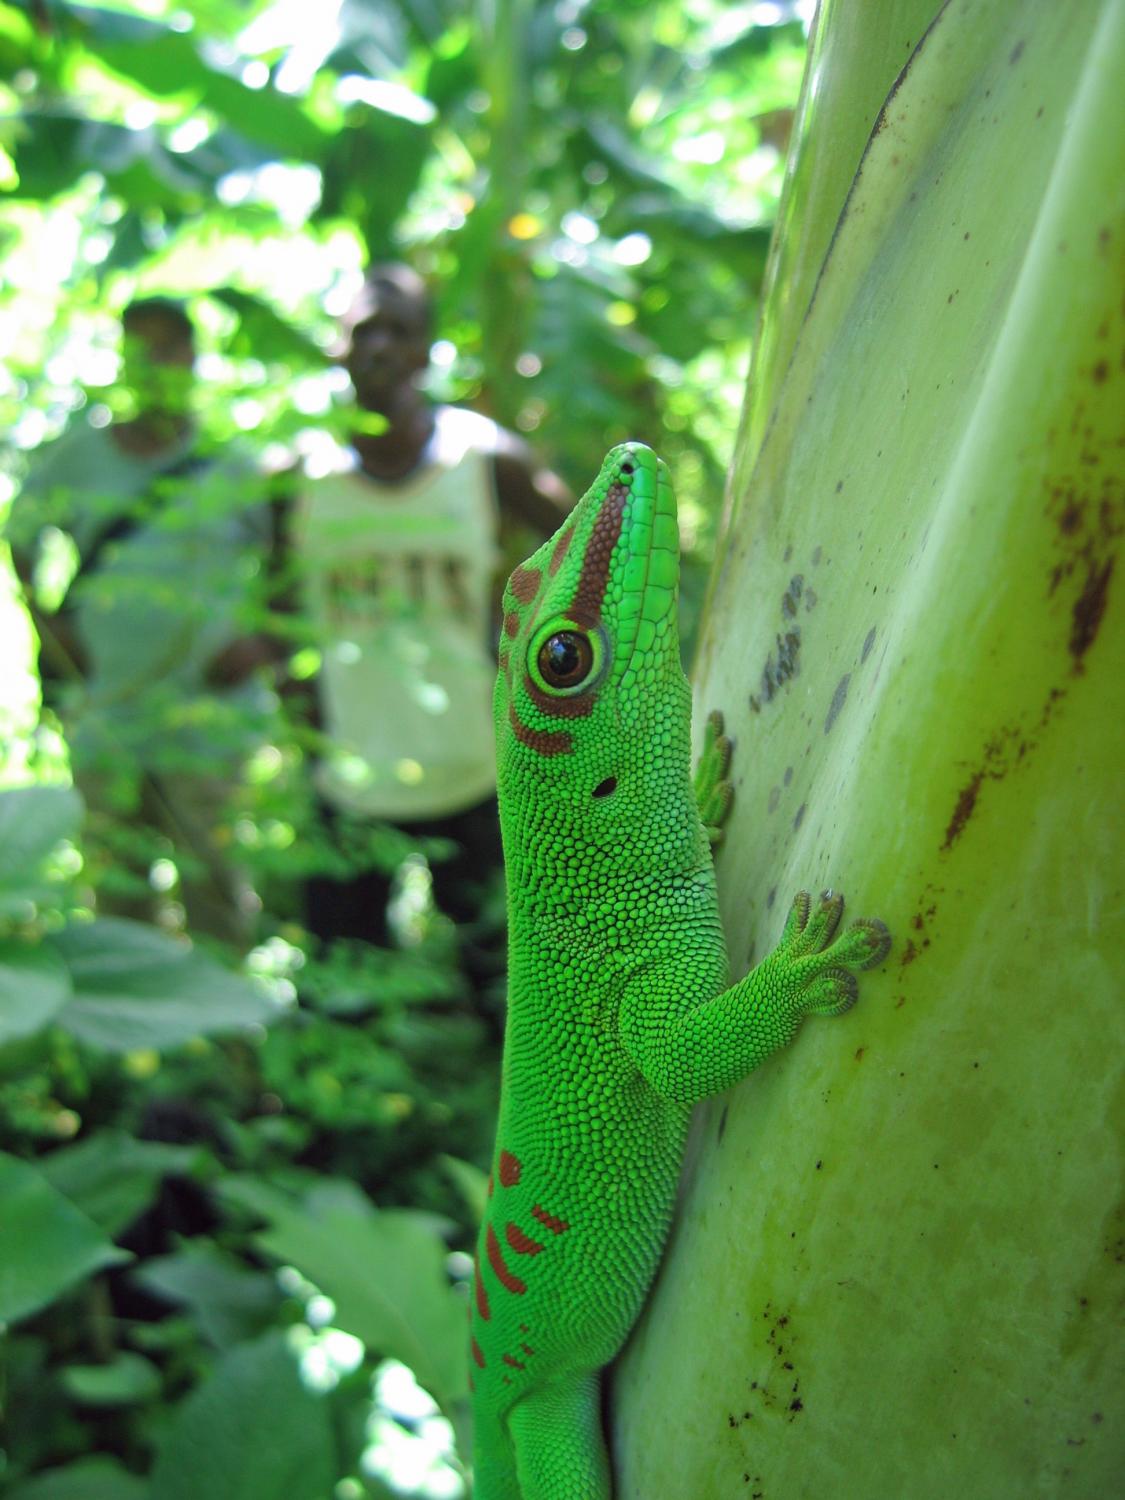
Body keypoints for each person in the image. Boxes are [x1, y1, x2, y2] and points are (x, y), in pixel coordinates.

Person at [292, 264, 571, 952]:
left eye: (400, 331)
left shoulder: (481, 458)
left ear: (425, 349)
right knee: (344, 986)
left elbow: (593, 549)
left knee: (500, 974)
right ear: (337, 347)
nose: (380, 347)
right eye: (364, 331)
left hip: (473, 768)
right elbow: (269, 608)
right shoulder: (299, 474)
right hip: (350, 775)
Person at [6, 297, 272, 948]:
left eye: (166, 349)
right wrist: (51, 628)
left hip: (206, 718)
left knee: (212, 873)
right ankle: (136, 1040)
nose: (151, 364)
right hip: (108, 710)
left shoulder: (230, 463)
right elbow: (22, 537)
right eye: (137, 350)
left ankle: (226, 1028)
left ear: (191, 359)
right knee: (117, 880)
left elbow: (287, 558)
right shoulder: (77, 457)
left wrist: (259, 640)